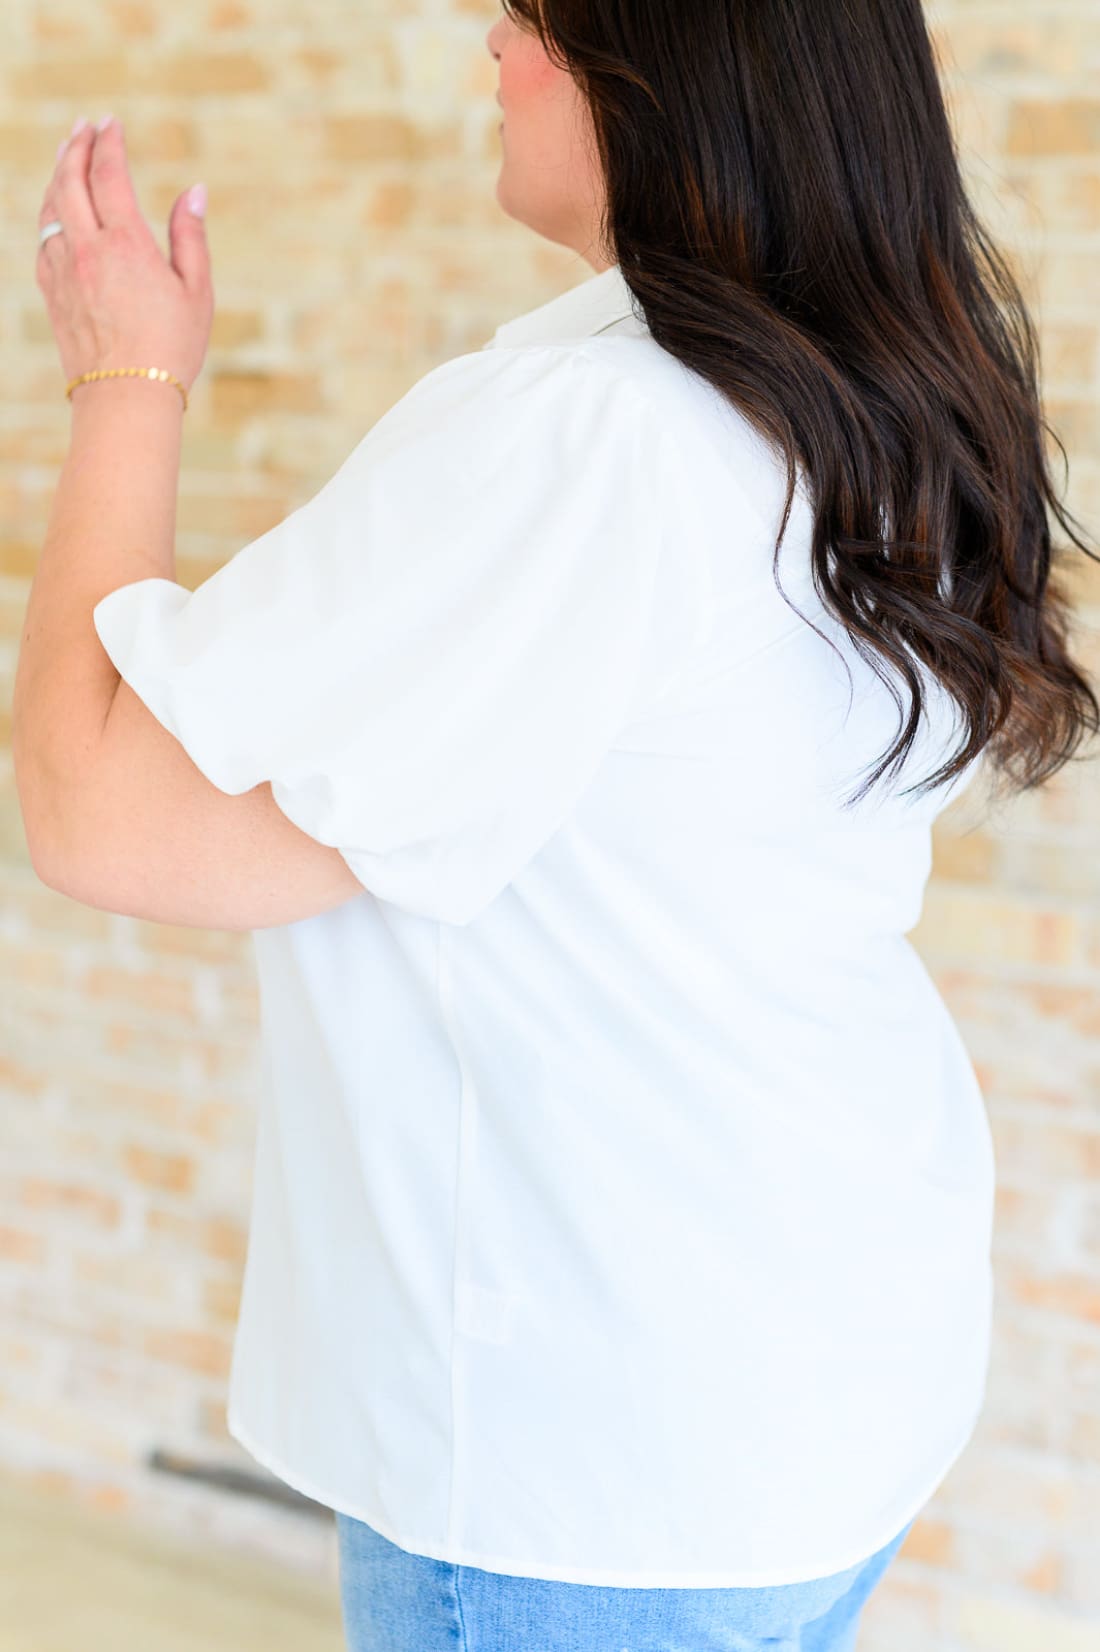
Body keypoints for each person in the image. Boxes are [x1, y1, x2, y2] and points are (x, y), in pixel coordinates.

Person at [86, 1, 1098, 1648]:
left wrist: (126, 380)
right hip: (827, 1369)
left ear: (669, 62)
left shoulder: (598, 439)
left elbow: (102, 811)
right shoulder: (874, 402)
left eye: (534, 12)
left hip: (601, 1471)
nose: (496, 43)